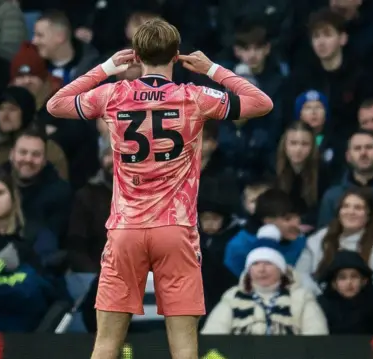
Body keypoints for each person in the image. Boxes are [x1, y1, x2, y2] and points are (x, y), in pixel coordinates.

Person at [47, 18, 272, 359]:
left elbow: (56, 104)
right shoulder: (193, 97)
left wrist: (107, 67)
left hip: (126, 229)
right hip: (175, 229)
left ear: (135, 55)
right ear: (176, 54)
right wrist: (211, 68)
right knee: (183, 348)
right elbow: (260, 102)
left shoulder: (113, 94)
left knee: (107, 344)